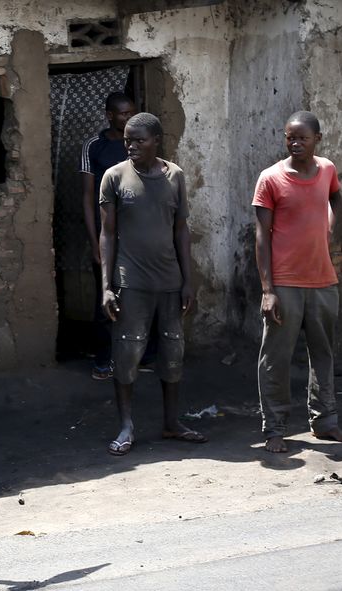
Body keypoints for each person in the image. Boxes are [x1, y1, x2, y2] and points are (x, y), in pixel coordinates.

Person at [99, 112, 207, 456]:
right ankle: (126, 425)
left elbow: (181, 230)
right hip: (131, 283)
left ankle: (171, 423)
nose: (130, 146)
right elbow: (107, 234)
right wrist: (106, 285)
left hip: (170, 283)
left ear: (156, 140)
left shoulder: (174, 176)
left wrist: (188, 281)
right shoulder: (114, 177)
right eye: (128, 140)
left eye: (139, 140)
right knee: (128, 352)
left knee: (173, 352)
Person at [253, 110, 342, 454]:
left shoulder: (327, 169)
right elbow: (261, 237)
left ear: (317, 140)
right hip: (285, 283)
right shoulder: (270, 178)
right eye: (289, 137)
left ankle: (326, 423)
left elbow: (336, 197)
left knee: (323, 354)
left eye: (302, 138)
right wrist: (268, 291)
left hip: (324, 281)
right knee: (276, 358)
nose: (295, 143)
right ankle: (275, 428)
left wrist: (329, 221)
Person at [80, 93, 137, 380]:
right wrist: (95, 243)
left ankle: (136, 358)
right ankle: (102, 361)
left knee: (137, 299)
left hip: (136, 237)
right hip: (107, 237)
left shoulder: (138, 146)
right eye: (122, 114)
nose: (127, 119)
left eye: (131, 113)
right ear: (109, 115)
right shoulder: (94, 146)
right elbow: (88, 198)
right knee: (106, 301)